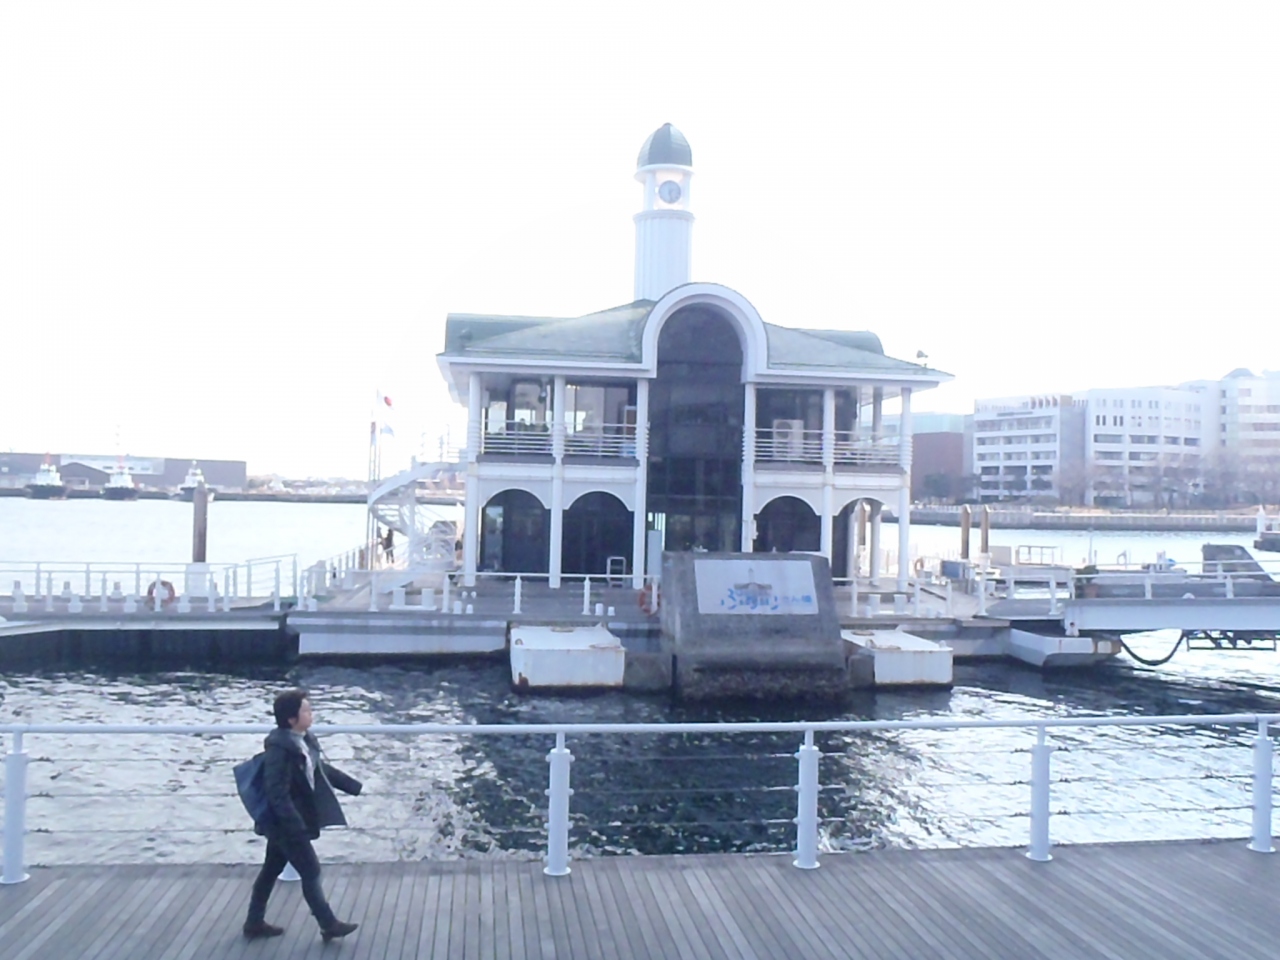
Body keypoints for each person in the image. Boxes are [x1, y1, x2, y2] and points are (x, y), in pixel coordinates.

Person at [243, 689, 363, 941]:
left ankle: (253, 922)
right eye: (306, 710)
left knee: (270, 869)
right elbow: (276, 792)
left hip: (288, 821)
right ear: (291, 719)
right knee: (310, 870)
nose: (311, 714)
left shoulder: (303, 740)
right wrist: (295, 825)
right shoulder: (279, 750)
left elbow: (318, 768)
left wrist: (352, 786)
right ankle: (328, 923)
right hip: (285, 824)